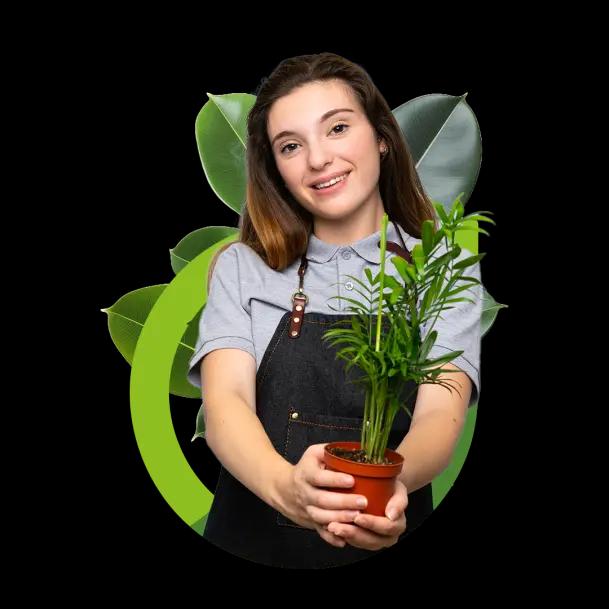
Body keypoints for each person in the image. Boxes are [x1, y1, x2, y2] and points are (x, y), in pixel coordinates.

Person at [186, 52, 481, 569]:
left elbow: (440, 409)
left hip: (388, 526)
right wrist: (287, 489)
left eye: (338, 128)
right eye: (291, 146)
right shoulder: (242, 266)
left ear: (382, 137)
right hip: (250, 543)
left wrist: (387, 487)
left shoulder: (443, 265)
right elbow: (225, 402)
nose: (318, 159)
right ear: (275, 168)